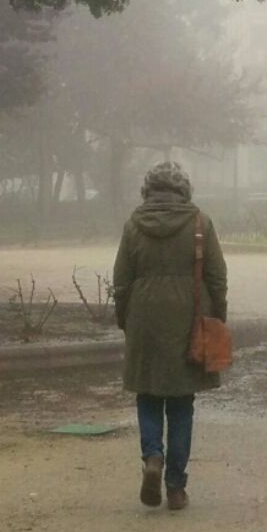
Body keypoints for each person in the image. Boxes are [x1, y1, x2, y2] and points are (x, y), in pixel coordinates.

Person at [111, 161, 227, 511]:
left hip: (144, 318)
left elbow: (120, 281)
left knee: (148, 395)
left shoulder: (134, 225)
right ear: (184, 189)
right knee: (181, 403)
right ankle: (176, 487)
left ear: (148, 189)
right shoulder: (199, 223)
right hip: (188, 319)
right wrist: (216, 318)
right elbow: (217, 277)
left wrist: (126, 320)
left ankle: (152, 457)